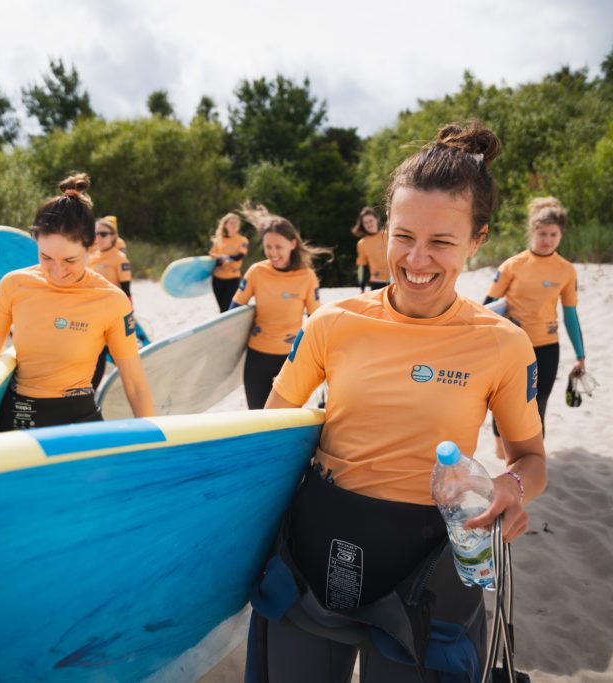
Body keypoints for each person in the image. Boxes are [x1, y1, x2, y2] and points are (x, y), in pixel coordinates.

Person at [245, 121, 548, 681]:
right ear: (385, 228)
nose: (417, 259)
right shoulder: (332, 322)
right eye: (403, 236)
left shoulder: (502, 344)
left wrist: (512, 487)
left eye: (442, 242)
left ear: (477, 240)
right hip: (317, 551)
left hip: (430, 566)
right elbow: (267, 435)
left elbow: (531, 458)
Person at [0, 174, 153, 431]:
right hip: (16, 417)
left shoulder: (111, 300)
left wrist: (155, 444)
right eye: (46, 257)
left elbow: (135, 385)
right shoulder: (14, 285)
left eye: (70, 260)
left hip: (77, 420)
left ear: (91, 247)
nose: (58, 272)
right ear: (35, 242)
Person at [484, 196, 585, 458]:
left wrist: (580, 355)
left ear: (561, 234)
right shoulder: (512, 265)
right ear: (532, 231)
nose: (547, 240)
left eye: (553, 235)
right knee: (505, 401)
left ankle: (532, 458)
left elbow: (570, 314)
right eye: (542, 234)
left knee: (539, 402)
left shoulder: (566, 270)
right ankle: (501, 450)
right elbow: (487, 307)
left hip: (547, 347)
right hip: (512, 346)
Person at [228, 206, 327, 409]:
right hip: (257, 356)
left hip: (291, 358)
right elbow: (233, 310)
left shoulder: (307, 277)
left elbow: (316, 318)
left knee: (286, 420)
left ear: (292, 244)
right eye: (268, 247)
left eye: (278, 247)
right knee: (257, 416)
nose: (273, 253)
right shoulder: (256, 272)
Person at [88, 215, 133, 388]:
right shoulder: (92, 257)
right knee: (96, 353)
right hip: (92, 314)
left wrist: (129, 315)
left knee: (114, 354)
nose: (98, 237)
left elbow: (126, 290)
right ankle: (92, 390)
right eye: (96, 234)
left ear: (113, 236)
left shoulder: (120, 259)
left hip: (112, 315)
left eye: (103, 234)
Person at [208, 212, 249, 312]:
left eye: (236, 223)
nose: (234, 225)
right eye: (231, 223)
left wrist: (222, 257)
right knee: (222, 308)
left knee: (228, 307)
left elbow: (238, 257)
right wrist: (218, 260)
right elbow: (213, 258)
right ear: (225, 225)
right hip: (217, 278)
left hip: (232, 278)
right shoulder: (218, 240)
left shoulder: (243, 240)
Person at [353, 206, 390, 292]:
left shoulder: (389, 235)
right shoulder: (362, 243)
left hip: (395, 280)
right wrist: (362, 287)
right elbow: (362, 267)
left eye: (370, 221)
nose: (369, 224)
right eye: (365, 222)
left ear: (377, 219)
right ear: (363, 225)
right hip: (376, 283)